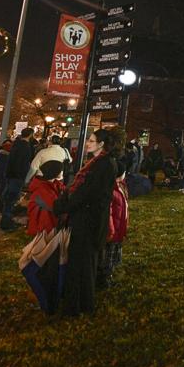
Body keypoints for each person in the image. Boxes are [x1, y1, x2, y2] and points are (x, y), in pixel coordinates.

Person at [53, 128, 121, 316]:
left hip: (88, 221)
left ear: (101, 144)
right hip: (87, 219)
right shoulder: (99, 163)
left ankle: (78, 305)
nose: (88, 143)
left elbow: (88, 193)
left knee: (81, 263)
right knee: (82, 263)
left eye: (92, 140)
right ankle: (80, 302)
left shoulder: (103, 165)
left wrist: (63, 206)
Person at [97, 166, 129, 290]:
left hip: (118, 228)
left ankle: (108, 274)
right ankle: (103, 279)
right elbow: (108, 213)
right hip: (112, 230)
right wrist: (110, 229)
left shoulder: (120, 187)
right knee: (107, 257)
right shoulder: (111, 190)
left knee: (113, 254)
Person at [0, 128, 35, 230]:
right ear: (30, 135)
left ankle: (5, 220)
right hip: (17, 176)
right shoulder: (25, 146)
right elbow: (22, 163)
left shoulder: (16, 144)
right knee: (11, 198)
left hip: (11, 175)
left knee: (9, 198)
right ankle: (6, 222)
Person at [26, 159, 64, 236]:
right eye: (61, 170)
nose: (62, 172)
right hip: (43, 229)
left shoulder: (52, 184)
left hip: (47, 225)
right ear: (55, 172)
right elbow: (55, 207)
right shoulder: (43, 190)